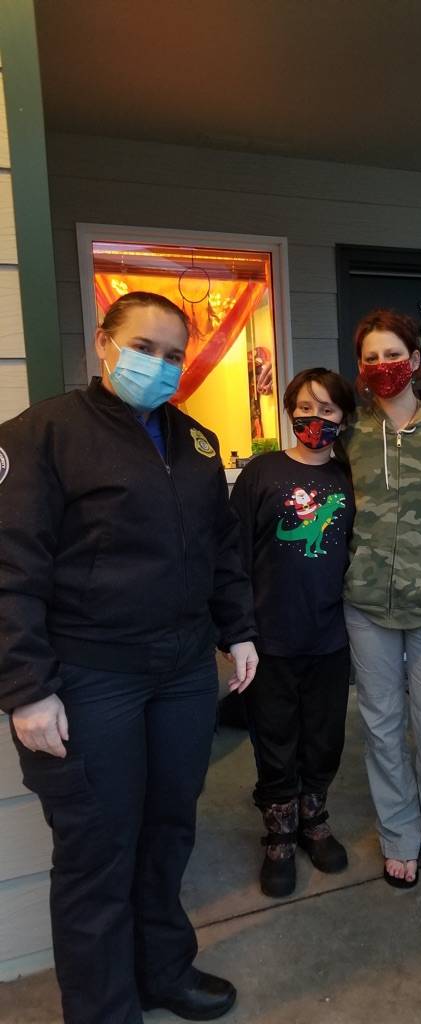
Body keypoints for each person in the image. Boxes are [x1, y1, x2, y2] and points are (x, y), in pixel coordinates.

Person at [0, 292, 258, 1024]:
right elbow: (9, 568)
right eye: (146, 347)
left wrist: (237, 630)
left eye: (175, 354)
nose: (161, 365)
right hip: (89, 677)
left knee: (169, 828)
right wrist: (26, 688)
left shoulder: (196, 443)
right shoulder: (42, 435)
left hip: (179, 674)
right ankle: (103, 1009)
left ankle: (162, 972)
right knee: (97, 851)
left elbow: (219, 550)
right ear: (105, 345)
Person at [342, 308, 421, 888]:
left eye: (393, 355)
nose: (383, 366)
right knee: (382, 726)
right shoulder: (349, 428)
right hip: (366, 601)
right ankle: (399, 835)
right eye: (371, 357)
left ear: (415, 361)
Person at [229, 368, 356, 898]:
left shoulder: (349, 479)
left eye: (328, 409)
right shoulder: (262, 474)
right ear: (288, 409)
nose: (315, 418)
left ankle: (313, 820)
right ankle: (278, 834)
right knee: (275, 740)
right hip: (270, 641)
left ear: (344, 418)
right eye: (306, 407)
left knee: (324, 737)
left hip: (330, 637)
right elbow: (230, 557)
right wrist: (239, 631)